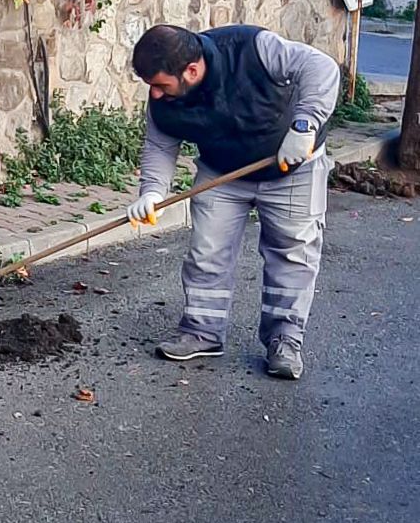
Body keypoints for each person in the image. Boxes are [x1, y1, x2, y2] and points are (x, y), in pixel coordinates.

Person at [127, 23, 340, 381]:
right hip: (222, 171)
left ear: (191, 71)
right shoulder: (163, 99)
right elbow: (160, 145)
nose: (157, 95)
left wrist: (304, 126)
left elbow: (320, 67)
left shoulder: (252, 48)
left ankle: (285, 340)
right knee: (206, 252)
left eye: (162, 84)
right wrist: (152, 191)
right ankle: (202, 331)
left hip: (292, 167)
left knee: (292, 254)